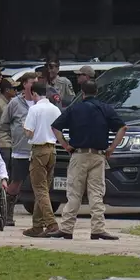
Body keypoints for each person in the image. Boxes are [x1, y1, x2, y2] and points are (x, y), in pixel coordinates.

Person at [48, 80, 128, 240]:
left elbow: (56, 127)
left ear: (82, 92)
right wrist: (111, 148)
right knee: (96, 193)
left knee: (74, 193)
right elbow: (122, 127)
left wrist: (65, 145)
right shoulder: (105, 108)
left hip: (78, 154)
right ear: (96, 92)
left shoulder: (74, 108)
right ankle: (98, 228)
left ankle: (67, 228)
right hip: (98, 155)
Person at [22, 81, 62, 237]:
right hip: (52, 149)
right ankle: (37, 225)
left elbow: (29, 133)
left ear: (33, 94)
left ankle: (51, 223)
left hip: (39, 149)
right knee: (44, 188)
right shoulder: (55, 109)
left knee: (39, 189)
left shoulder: (34, 109)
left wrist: (23, 127)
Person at [0, 72, 38, 227]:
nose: (35, 85)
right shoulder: (15, 103)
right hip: (20, 150)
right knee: (16, 182)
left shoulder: (41, 102)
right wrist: (14, 138)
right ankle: (7, 212)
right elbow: (4, 122)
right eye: (32, 82)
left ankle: (39, 216)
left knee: (39, 184)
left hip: (37, 149)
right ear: (25, 84)